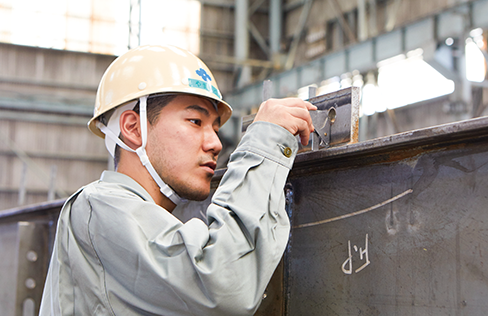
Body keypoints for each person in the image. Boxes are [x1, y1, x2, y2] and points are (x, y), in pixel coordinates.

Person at [39, 45, 316, 316]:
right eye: (195, 121)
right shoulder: (99, 208)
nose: (215, 143)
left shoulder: (155, 222)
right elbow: (222, 285)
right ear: (133, 128)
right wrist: (265, 143)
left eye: (215, 128)